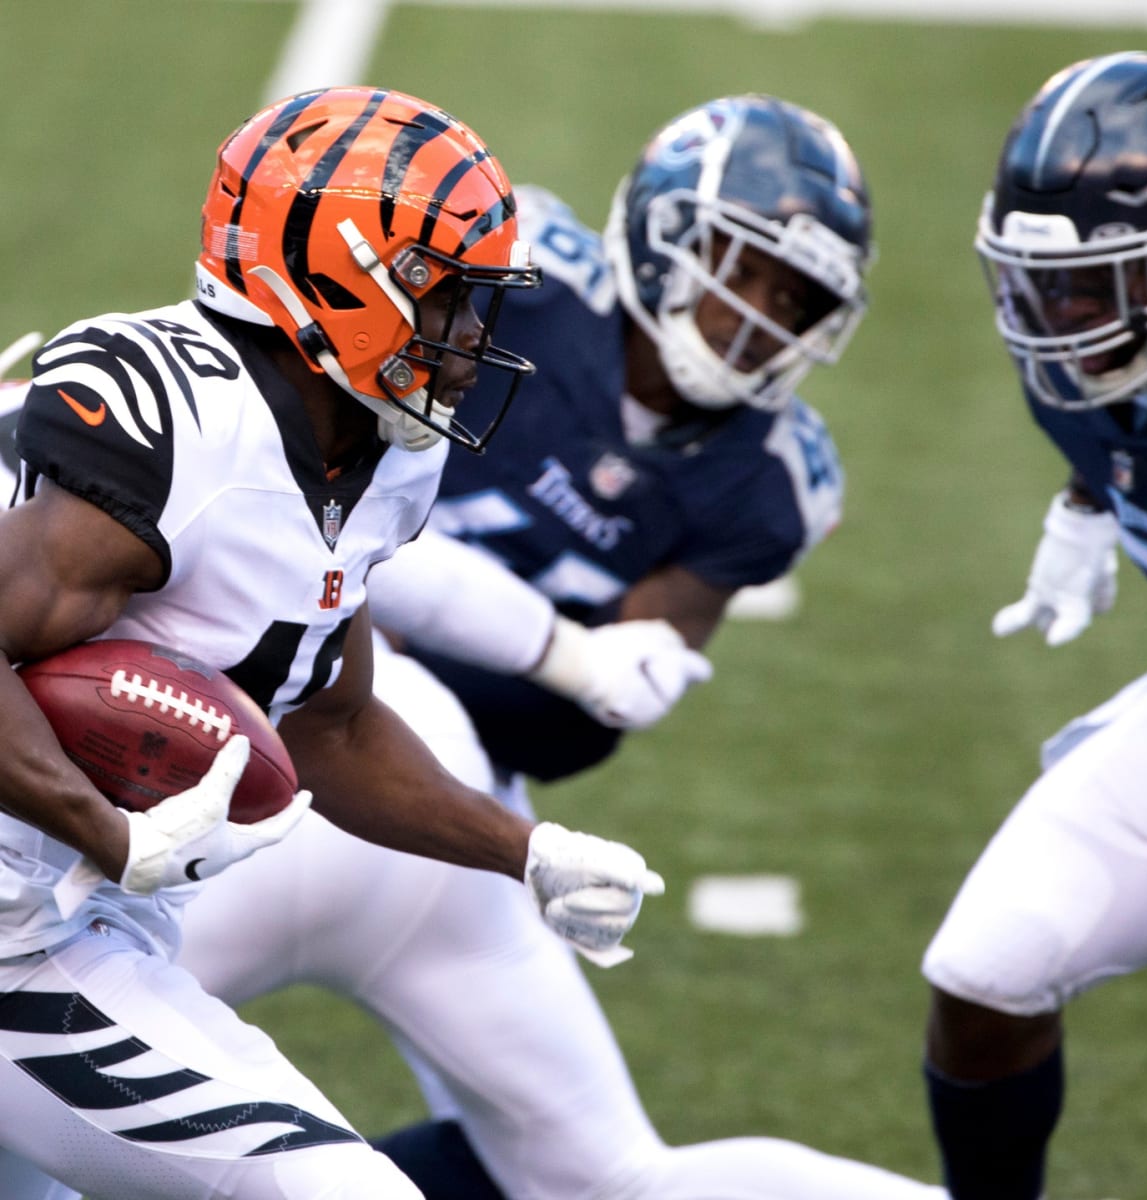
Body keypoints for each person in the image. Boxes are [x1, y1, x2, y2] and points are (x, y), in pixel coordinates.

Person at [179, 94, 948, 1198]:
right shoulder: (522, 283)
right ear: (656, 233)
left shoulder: (770, 480)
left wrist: (612, 671)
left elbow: (603, 684)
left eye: (798, 299)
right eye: (743, 269)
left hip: (396, 768)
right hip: (392, 775)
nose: (761, 319)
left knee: (50, 1052)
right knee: (600, 1173)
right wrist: (575, 659)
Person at [0, 85, 668, 1200]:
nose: (473, 339)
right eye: (448, 300)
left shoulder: (378, 451)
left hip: (82, 916)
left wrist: (525, 853)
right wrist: (104, 831)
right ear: (341, 281)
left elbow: (332, 725)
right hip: (24, 937)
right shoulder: (184, 430)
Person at [920, 50, 1147, 1200]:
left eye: (1099, 289)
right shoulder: (1084, 366)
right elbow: (1125, 429)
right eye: (1044, 288)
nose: (1063, 322)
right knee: (989, 970)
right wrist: (1088, 502)